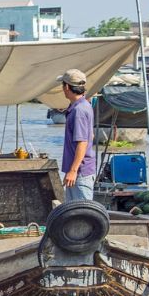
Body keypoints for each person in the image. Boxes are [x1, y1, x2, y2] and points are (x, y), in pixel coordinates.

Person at [57, 69, 96, 201]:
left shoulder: (78, 111)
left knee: (82, 211)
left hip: (80, 173)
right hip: (79, 171)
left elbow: (82, 142)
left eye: (63, 85)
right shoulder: (84, 105)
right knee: (74, 212)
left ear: (67, 87)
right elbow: (91, 136)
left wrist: (73, 171)